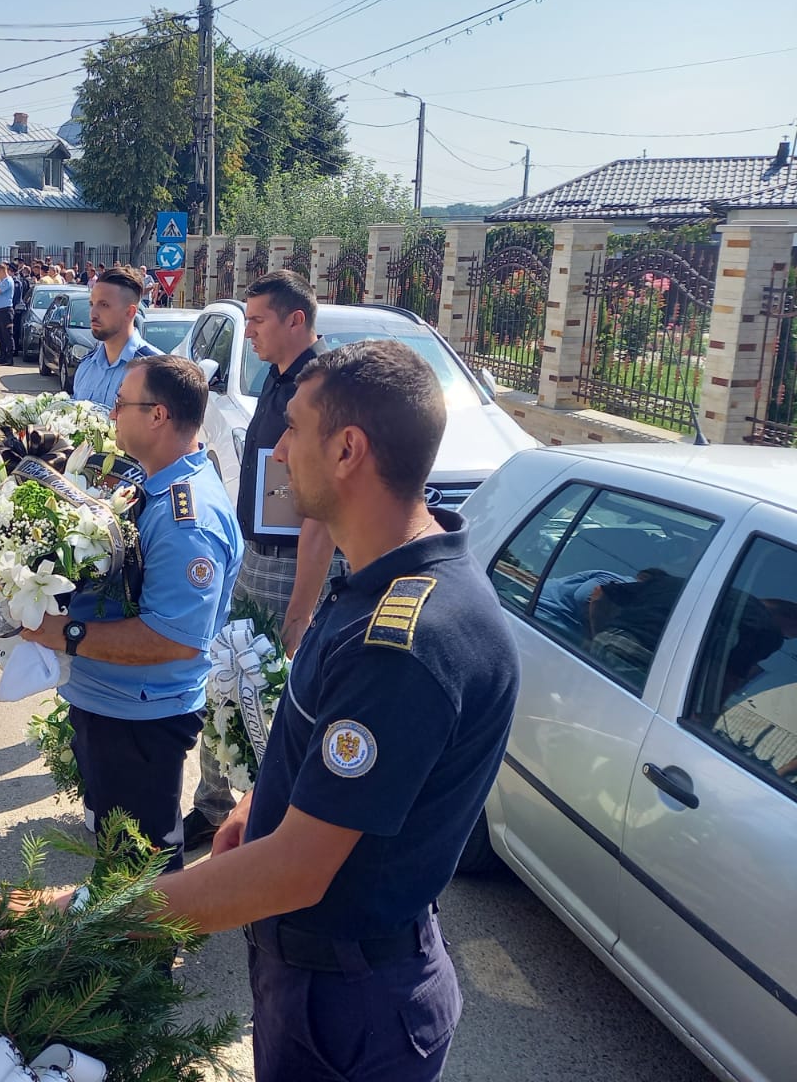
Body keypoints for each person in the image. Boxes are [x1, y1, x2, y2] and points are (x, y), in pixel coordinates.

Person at [140, 339, 520, 1082]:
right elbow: (319, 742)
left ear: (348, 450)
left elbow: (297, 871)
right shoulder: (386, 573)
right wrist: (260, 802)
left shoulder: (403, 644)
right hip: (325, 981)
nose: (279, 450)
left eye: (294, 427)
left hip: (350, 1011)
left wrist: (98, 920)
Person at [22, 356, 241, 873]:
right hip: (114, 703)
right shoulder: (154, 481)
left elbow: (173, 640)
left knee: (143, 870)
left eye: (122, 403)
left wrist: (65, 632)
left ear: (158, 415)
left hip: (140, 716)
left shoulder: (188, 520)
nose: (113, 412)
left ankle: (151, 933)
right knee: (119, 855)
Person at [184, 271, 340, 849]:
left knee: (266, 693)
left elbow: (321, 512)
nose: (247, 332)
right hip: (257, 553)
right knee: (226, 674)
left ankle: (263, 823)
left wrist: (301, 611)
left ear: (296, 320)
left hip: (291, 564)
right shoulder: (278, 378)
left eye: (256, 321)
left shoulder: (322, 388)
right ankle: (214, 805)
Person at [70, 265, 159, 412]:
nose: (93, 313)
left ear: (130, 312)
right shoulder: (86, 366)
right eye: (92, 304)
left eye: (104, 305)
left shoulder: (154, 370)